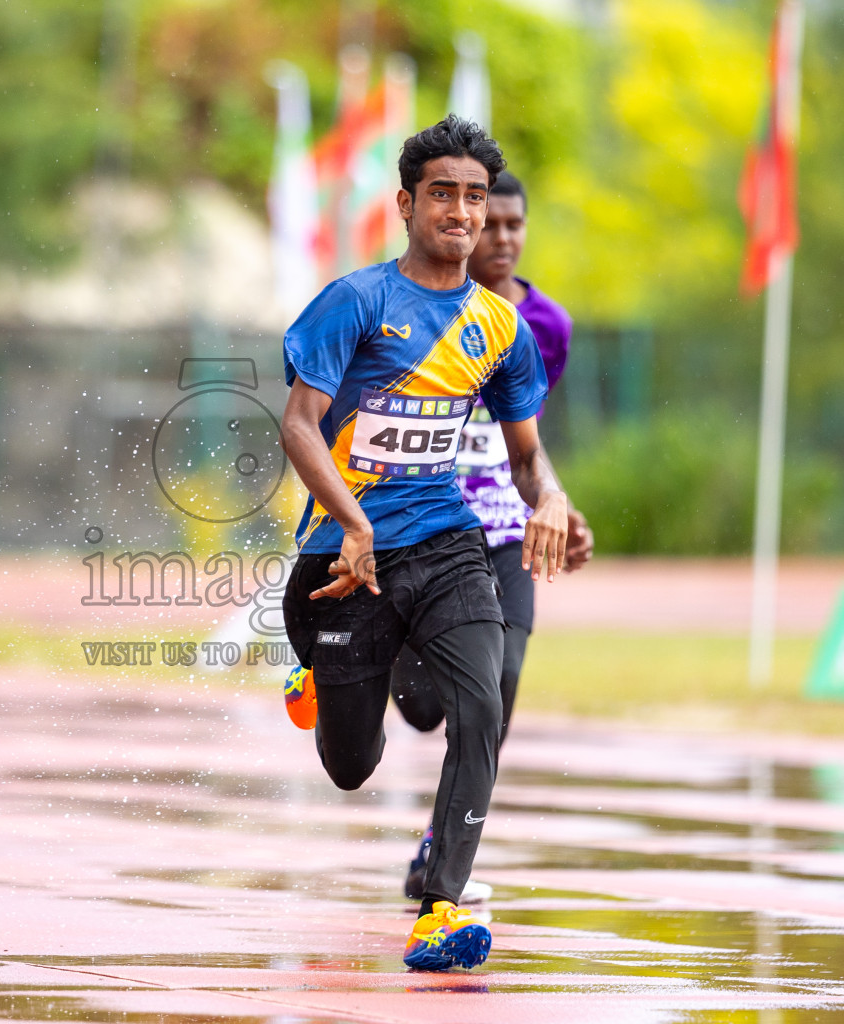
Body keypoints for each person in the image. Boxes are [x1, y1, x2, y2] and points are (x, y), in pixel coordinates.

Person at [280, 116, 569, 972]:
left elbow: (524, 455)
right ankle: (316, 680)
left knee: (483, 705)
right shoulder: (356, 303)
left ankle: (441, 908)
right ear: (406, 203)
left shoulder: (502, 329)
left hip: (447, 542)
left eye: (474, 196)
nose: (462, 210)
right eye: (442, 193)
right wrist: (356, 523)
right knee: (350, 765)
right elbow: (298, 426)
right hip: (342, 558)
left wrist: (549, 498)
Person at [392, 172, 595, 904]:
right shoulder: (410, 312)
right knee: (422, 707)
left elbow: (525, 441)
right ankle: (374, 652)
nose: (501, 238)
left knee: (499, 685)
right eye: (490, 223)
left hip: (505, 532)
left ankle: (442, 851)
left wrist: (556, 504)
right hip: (421, 529)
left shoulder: (548, 328)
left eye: (515, 225)